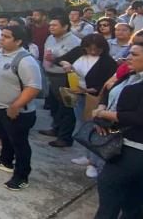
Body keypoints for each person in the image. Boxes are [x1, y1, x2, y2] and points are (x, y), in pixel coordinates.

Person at [93, 41, 143, 218]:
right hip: (121, 140)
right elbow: (107, 93)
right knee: (131, 192)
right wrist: (101, 113)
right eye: (129, 53)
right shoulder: (130, 75)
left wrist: (107, 115)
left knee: (109, 185)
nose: (128, 57)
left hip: (141, 147)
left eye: (135, 55)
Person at [0, 25, 42, 191]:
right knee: (4, 136)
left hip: (17, 112)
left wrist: (16, 105)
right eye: (2, 35)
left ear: (19, 41)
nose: (1, 38)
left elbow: (33, 87)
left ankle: (21, 176)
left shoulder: (25, 60)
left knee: (19, 144)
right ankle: (5, 160)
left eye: (6, 37)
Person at [57, 33, 117, 178]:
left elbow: (105, 85)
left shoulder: (108, 62)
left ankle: (93, 162)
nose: (93, 52)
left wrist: (87, 90)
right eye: (90, 49)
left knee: (93, 128)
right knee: (82, 125)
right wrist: (65, 63)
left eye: (97, 49)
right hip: (76, 94)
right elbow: (59, 59)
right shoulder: (78, 52)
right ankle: (87, 155)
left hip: (93, 98)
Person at [40, 14, 82, 148]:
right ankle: (55, 128)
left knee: (67, 108)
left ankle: (64, 137)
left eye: (54, 25)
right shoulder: (50, 38)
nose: (51, 27)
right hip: (50, 76)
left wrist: (55, 58)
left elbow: (73, 60)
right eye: (50, 25)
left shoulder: (74, 41)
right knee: (54, 106)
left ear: (65, 26)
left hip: (66, 78)